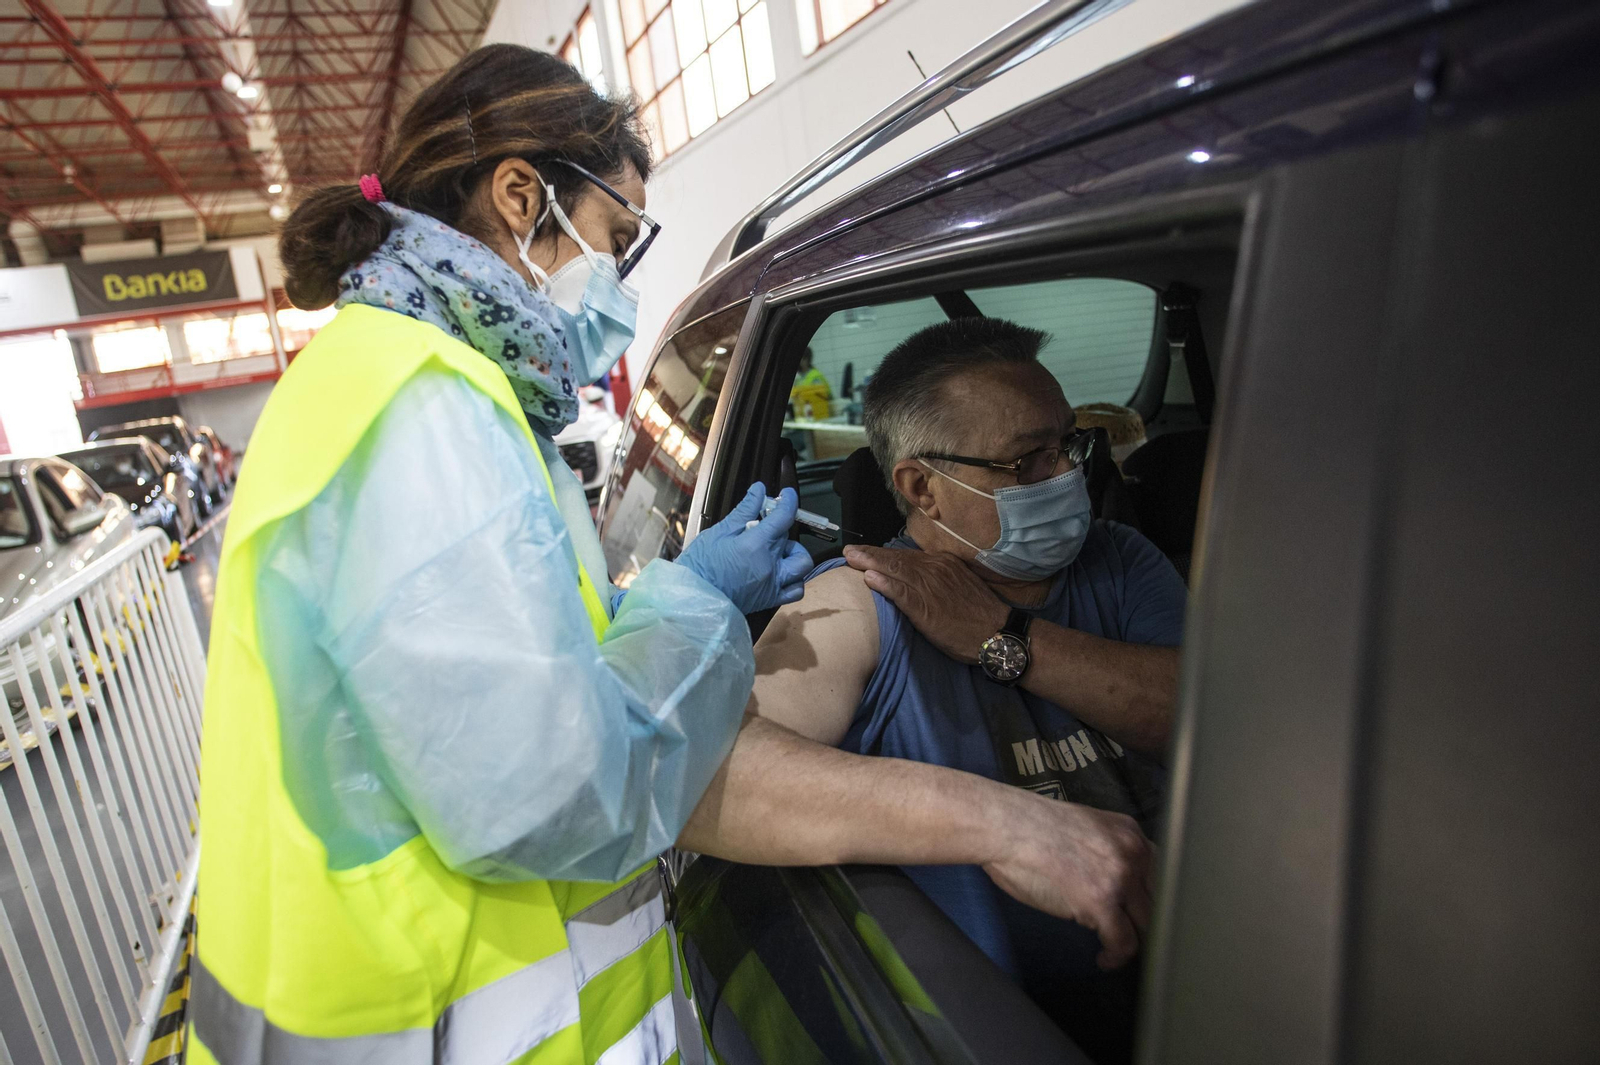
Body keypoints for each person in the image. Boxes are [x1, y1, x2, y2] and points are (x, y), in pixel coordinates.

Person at [191, 47, 1153, 1065]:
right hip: (430, 1026)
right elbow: (553, 787)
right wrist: (693, 600)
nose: (618, 284)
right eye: (615, 239)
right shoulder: (420, 406)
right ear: (521, 195)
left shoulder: (416, 390)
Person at [753, 317, 1186, 1064]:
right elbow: (715, 770)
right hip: (997, 1028)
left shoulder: (1120, 558)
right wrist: (1011, 826)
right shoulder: (856, 600)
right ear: (923, 488)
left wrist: (1003, 635)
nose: (1066, 475)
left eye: (1069, 445)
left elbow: (1209, 722)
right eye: (1027, 461)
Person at [790, 346, 832, 419]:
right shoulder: (798, 377)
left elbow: (823, 398)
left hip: (818, 415)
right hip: (803, 415)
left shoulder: (815, 376)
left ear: (808, 360)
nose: (800, 362)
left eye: (803, 359)